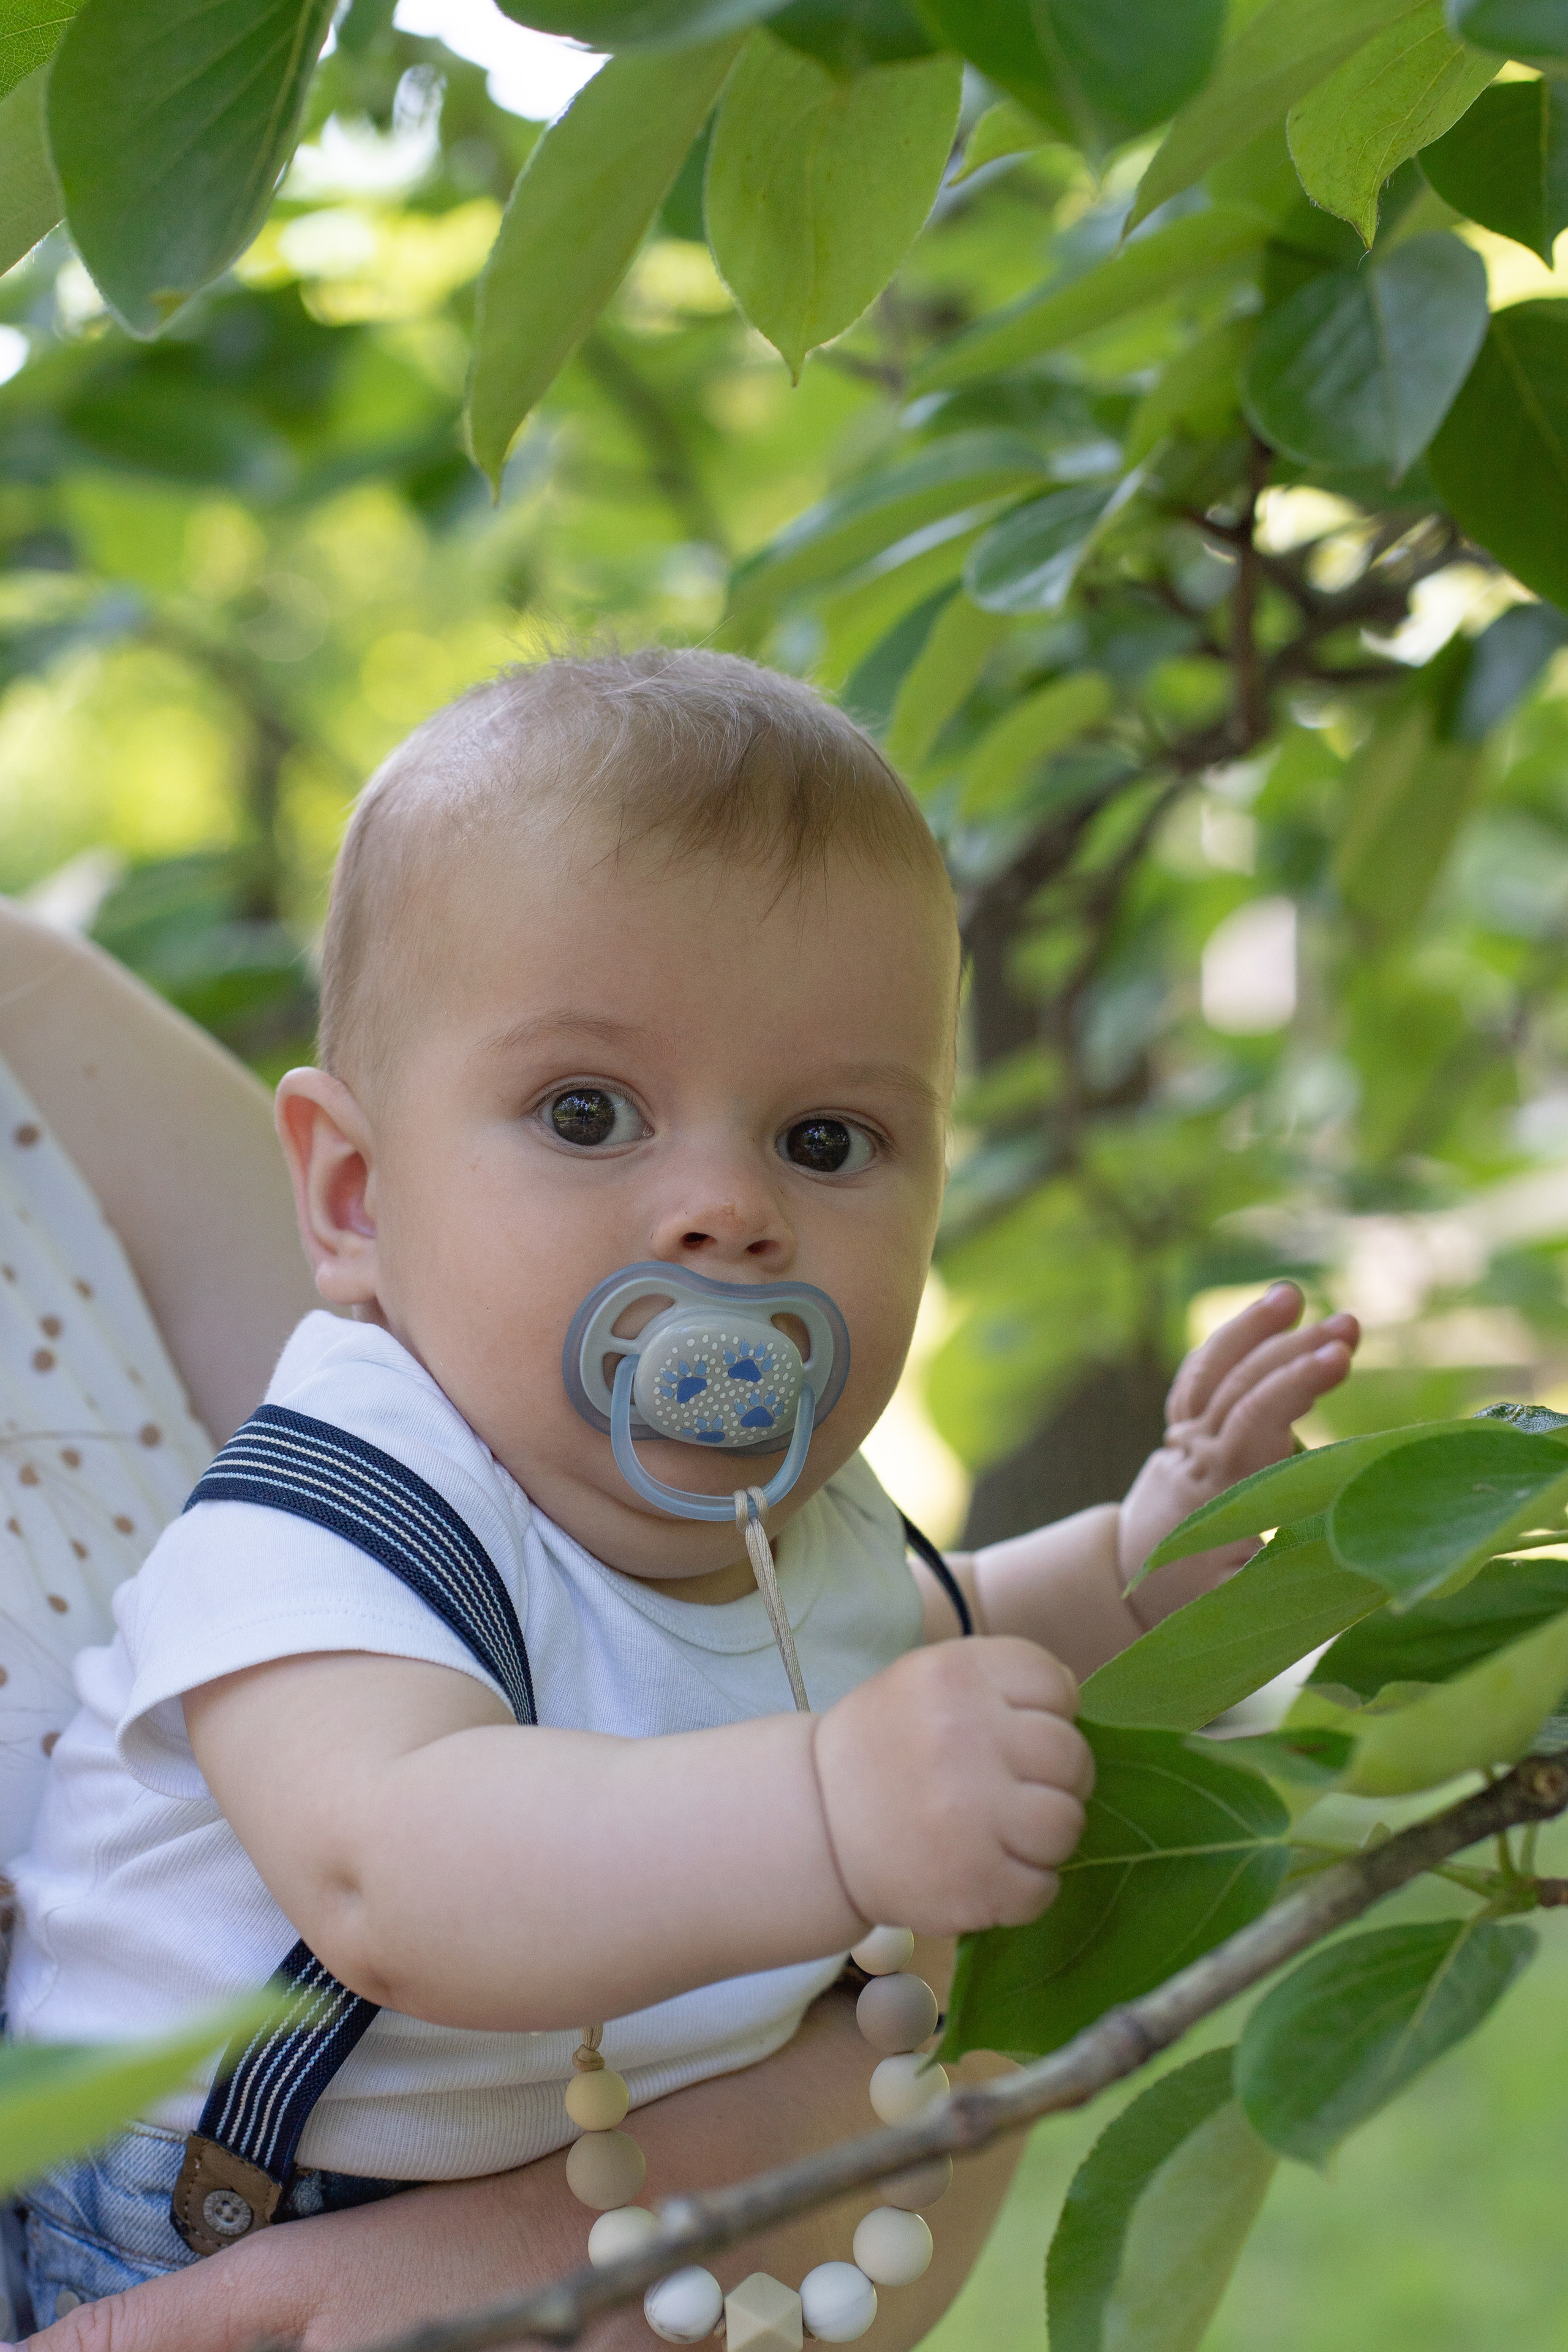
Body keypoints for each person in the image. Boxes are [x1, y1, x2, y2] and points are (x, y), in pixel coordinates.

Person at [2, 653, 1357, 2348]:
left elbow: (939, 1642)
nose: (729, 1210)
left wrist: (1145, 1572)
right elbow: (393, 1874)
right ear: (354, 1194)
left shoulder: (801, 1522)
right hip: (183, 2233)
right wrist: (830, 1810)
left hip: (538, 2205)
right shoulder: (331, 1513)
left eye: (828, 1140)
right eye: (589, 1114)